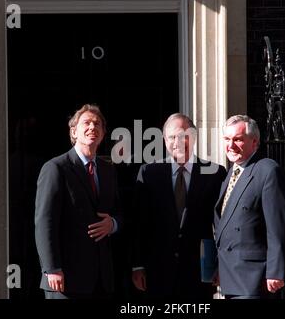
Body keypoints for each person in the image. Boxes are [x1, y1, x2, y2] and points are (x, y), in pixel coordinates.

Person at [131, 113, 227, 299]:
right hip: (158, 270)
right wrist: (137, 265)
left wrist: (221, 265)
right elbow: (139, 223)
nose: (178, 142)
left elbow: (223, 225)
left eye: (184, 136)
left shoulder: (215, 173)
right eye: (172, 137)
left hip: (200, 272)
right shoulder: (149, 173)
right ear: (164, 140)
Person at [34, 104, 122, 299]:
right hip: (65, 278)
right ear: (74, 131)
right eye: (87, 123)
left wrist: (113, 224)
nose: (93, 127)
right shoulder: (56, 168)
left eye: (97, 124)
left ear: (103, 133)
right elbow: (44, 223)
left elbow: (119, 211)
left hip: (101, 278)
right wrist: (52, 268)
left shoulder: (108, 170)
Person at [214, 115, 285, 299]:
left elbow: (278, 226)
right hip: (230, 276)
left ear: (254, 142)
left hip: (254, 277)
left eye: (238, 139)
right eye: (227, 139)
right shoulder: (230, 174)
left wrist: (275, 270)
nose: (230, 145)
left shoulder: (267, 170)